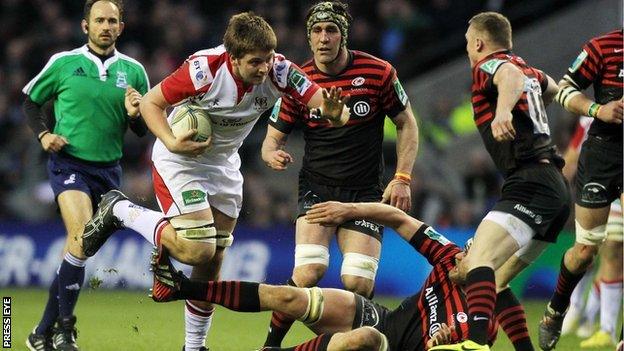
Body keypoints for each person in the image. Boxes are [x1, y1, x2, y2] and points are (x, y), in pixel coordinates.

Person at [81, 12, 349, 351]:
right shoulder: (204, 69)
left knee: (212, 264)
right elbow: (151, 102)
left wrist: (334, 113)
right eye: (256, 62)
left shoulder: (281, 71)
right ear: (233, 57)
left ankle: (194, 347)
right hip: (181, 159)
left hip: (223, 165)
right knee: (197, 249)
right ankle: (120, 210)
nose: (265, 67)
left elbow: (330, 108)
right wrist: (171, 140)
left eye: (268, 59)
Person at [149, 201, 533, 351]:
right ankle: (181, 286)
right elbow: (399, 218)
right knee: (292, 295)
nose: (462, 253)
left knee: (363, 340)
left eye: (471, 252)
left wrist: (439, 343)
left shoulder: (485, 316)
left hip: (392, 347)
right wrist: (346, 209)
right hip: (389, 318)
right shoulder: (450, 259)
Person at [261, 2, 418, 346]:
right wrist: (273, 154)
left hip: (364, 192)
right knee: (307, 274)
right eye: (316, 31)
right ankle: (272, 343)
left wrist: (402, 177)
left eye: (331, 30)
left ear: (343, 35)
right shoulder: (299, 84)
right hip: (317, 188)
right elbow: (271, 141)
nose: (323, 38)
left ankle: (354, 341)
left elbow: (407, 122)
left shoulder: (379, 73)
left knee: (358, 282)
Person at [428, 12, 570, 351]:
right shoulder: (529, 72)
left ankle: (475, 344)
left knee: (479, 261)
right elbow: (550, 87)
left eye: (467, 44)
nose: (467, 50)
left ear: (478, 42)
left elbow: (507, 77)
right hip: (554, 187)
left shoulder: (490, 66)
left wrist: (505, 111)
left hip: (531, 182)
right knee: (498, 281)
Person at [22, 1, 149, 350]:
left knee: (77, 251)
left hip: (108, 172)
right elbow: (30, 102)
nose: (105, 26)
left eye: (112, 21)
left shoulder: (135, 72)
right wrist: (44, 135)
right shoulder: (64, 63)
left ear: (121, 27)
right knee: (80, 236)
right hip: (70, 164)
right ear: (85, 25)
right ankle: (65, 328)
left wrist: (135, 115)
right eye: (99, 20)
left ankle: (40, 333)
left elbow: (142, 131)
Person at [538, 29, 623, 351]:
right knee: (586, 251)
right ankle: (556, 309)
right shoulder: (603, 48)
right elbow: (564, 90)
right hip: (603, 155)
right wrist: (597, 109)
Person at [559, 119, 623, 349]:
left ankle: (587, 314)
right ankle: (598, 323)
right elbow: (572, 157)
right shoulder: (592, 116)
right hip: (607, 185)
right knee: (605, 250)